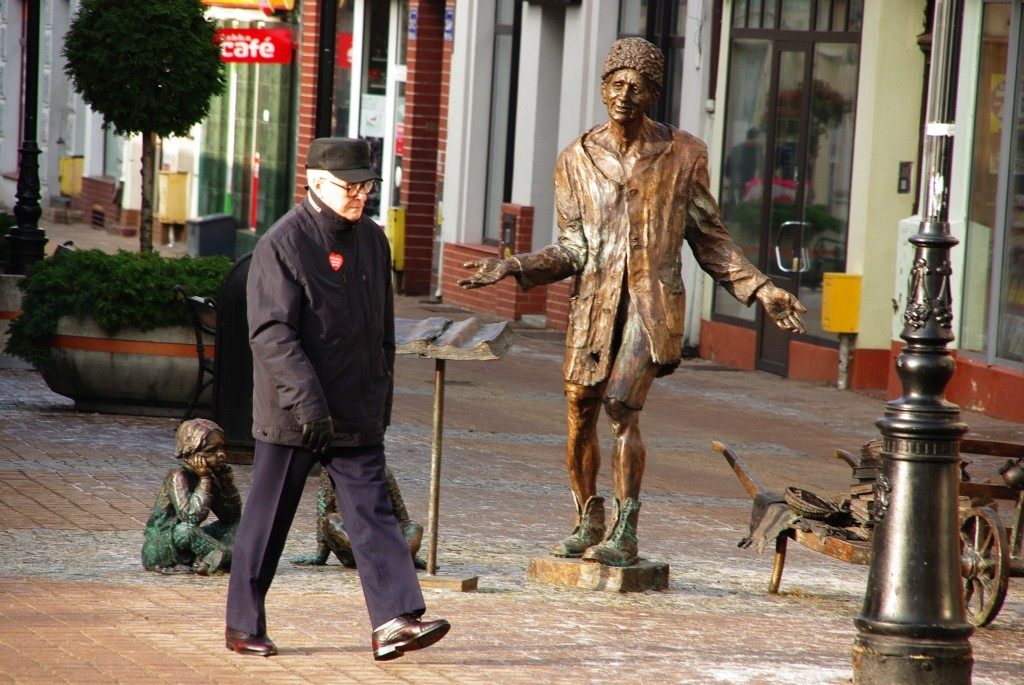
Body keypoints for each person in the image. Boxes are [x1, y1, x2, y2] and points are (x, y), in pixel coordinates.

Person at [458, 38, 806, 568]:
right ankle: (586, 517)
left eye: (637, 86)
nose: (625, 93)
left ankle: (625, 528)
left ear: (652, 94)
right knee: (579, 411)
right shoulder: (575, 159)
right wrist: (513, 265)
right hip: (595, 306)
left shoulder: (683, 155)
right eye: (617, 83)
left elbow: (709, 238)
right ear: (603, 89)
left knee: (621, 406)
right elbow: (574, 247)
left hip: (650, 305)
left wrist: (760, 287)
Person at [225, 137, 449, 660]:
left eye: (366, 185)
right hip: (295, 412)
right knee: (268, 520)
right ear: (316, 184)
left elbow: (380, 332)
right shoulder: (282, 244)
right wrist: (309, 406)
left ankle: (394, 621)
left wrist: (379, 397)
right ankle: (242, 624)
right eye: (350, 186)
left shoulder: (373, 241)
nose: (360, 195)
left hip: (355, 410)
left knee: (374, 515)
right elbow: (273, 335)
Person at [142, 418, 240, 575]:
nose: (221, 455)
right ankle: (226, 557)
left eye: (221, 448)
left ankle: (215, 557)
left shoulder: (210, 476)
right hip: (164, 544)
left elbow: (230, 517)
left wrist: (227, 485)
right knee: (185, 530)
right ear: (191, 453)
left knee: (240, 524)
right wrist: (206, 481)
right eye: (211, 450)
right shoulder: (177, 476)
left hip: (190, 539)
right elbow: (190, 517)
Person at [291, 466, 426, 570]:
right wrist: (321, 553)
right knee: (330, 520)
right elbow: (324, 511)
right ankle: (388, 557)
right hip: (351, 539)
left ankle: (402, 556)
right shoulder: (329, 472)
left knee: (414, 527)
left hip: (383, 537)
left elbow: (401, 515)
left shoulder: (382, 469)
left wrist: (407, 545)